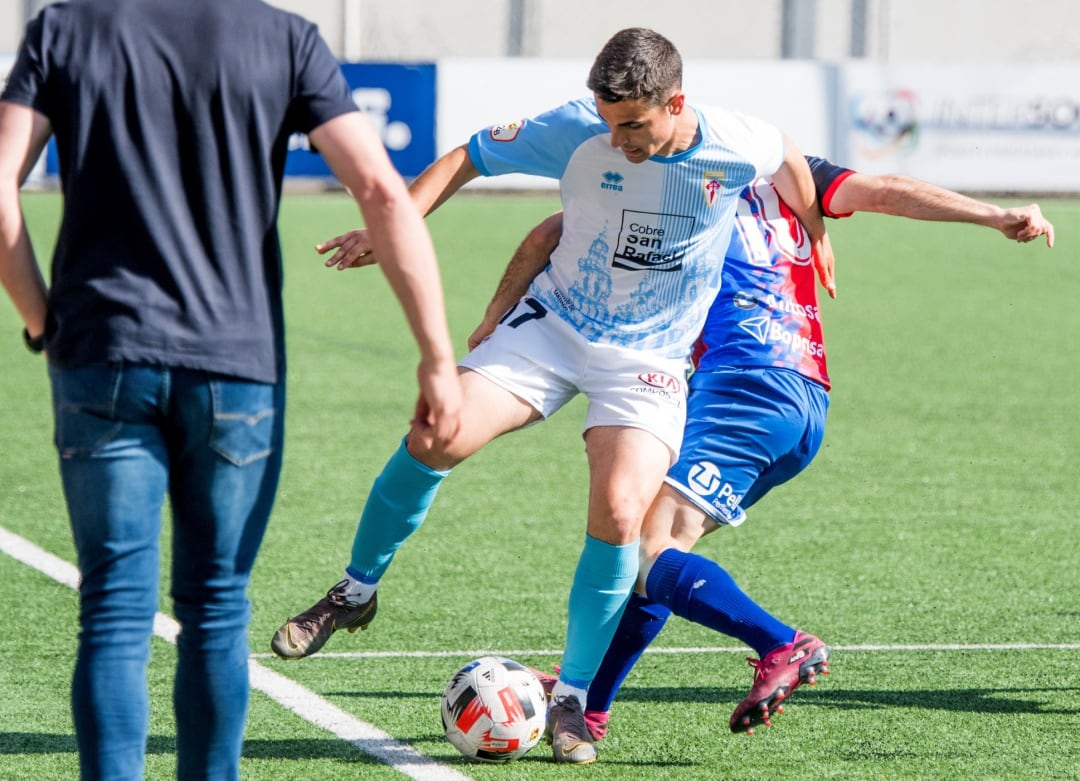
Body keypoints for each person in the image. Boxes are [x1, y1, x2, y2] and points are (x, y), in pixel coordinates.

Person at [270, 27, 832, 764]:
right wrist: (392, 220)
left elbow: (788, 155)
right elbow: (469, 155)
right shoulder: (576, 128)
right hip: (556, 326)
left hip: (650, 361)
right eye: (608, 122)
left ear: (676, 103)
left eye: (633, 124)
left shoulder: (734, 141)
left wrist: (816, 231)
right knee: (435, 434)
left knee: (623, 511)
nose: (618, 139)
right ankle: (352, 592)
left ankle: (570, 699)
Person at [0, 1, 463, 778]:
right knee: (215, 608)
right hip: (235, 365)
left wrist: (43, 319)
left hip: (101, 353)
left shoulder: (66, 27)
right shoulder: (284, 39)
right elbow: (383, 191)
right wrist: (436, 356)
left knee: (113, 609)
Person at [482, 158, 1055, 741]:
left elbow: (553, 234)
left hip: (745, 386)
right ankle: (590, 706)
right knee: (659, 548)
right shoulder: (791, 177)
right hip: (803, 395)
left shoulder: (674, 191)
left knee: (648, 549)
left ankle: (781, 643)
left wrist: (497, 322)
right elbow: (886, 190)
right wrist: (994, 214)